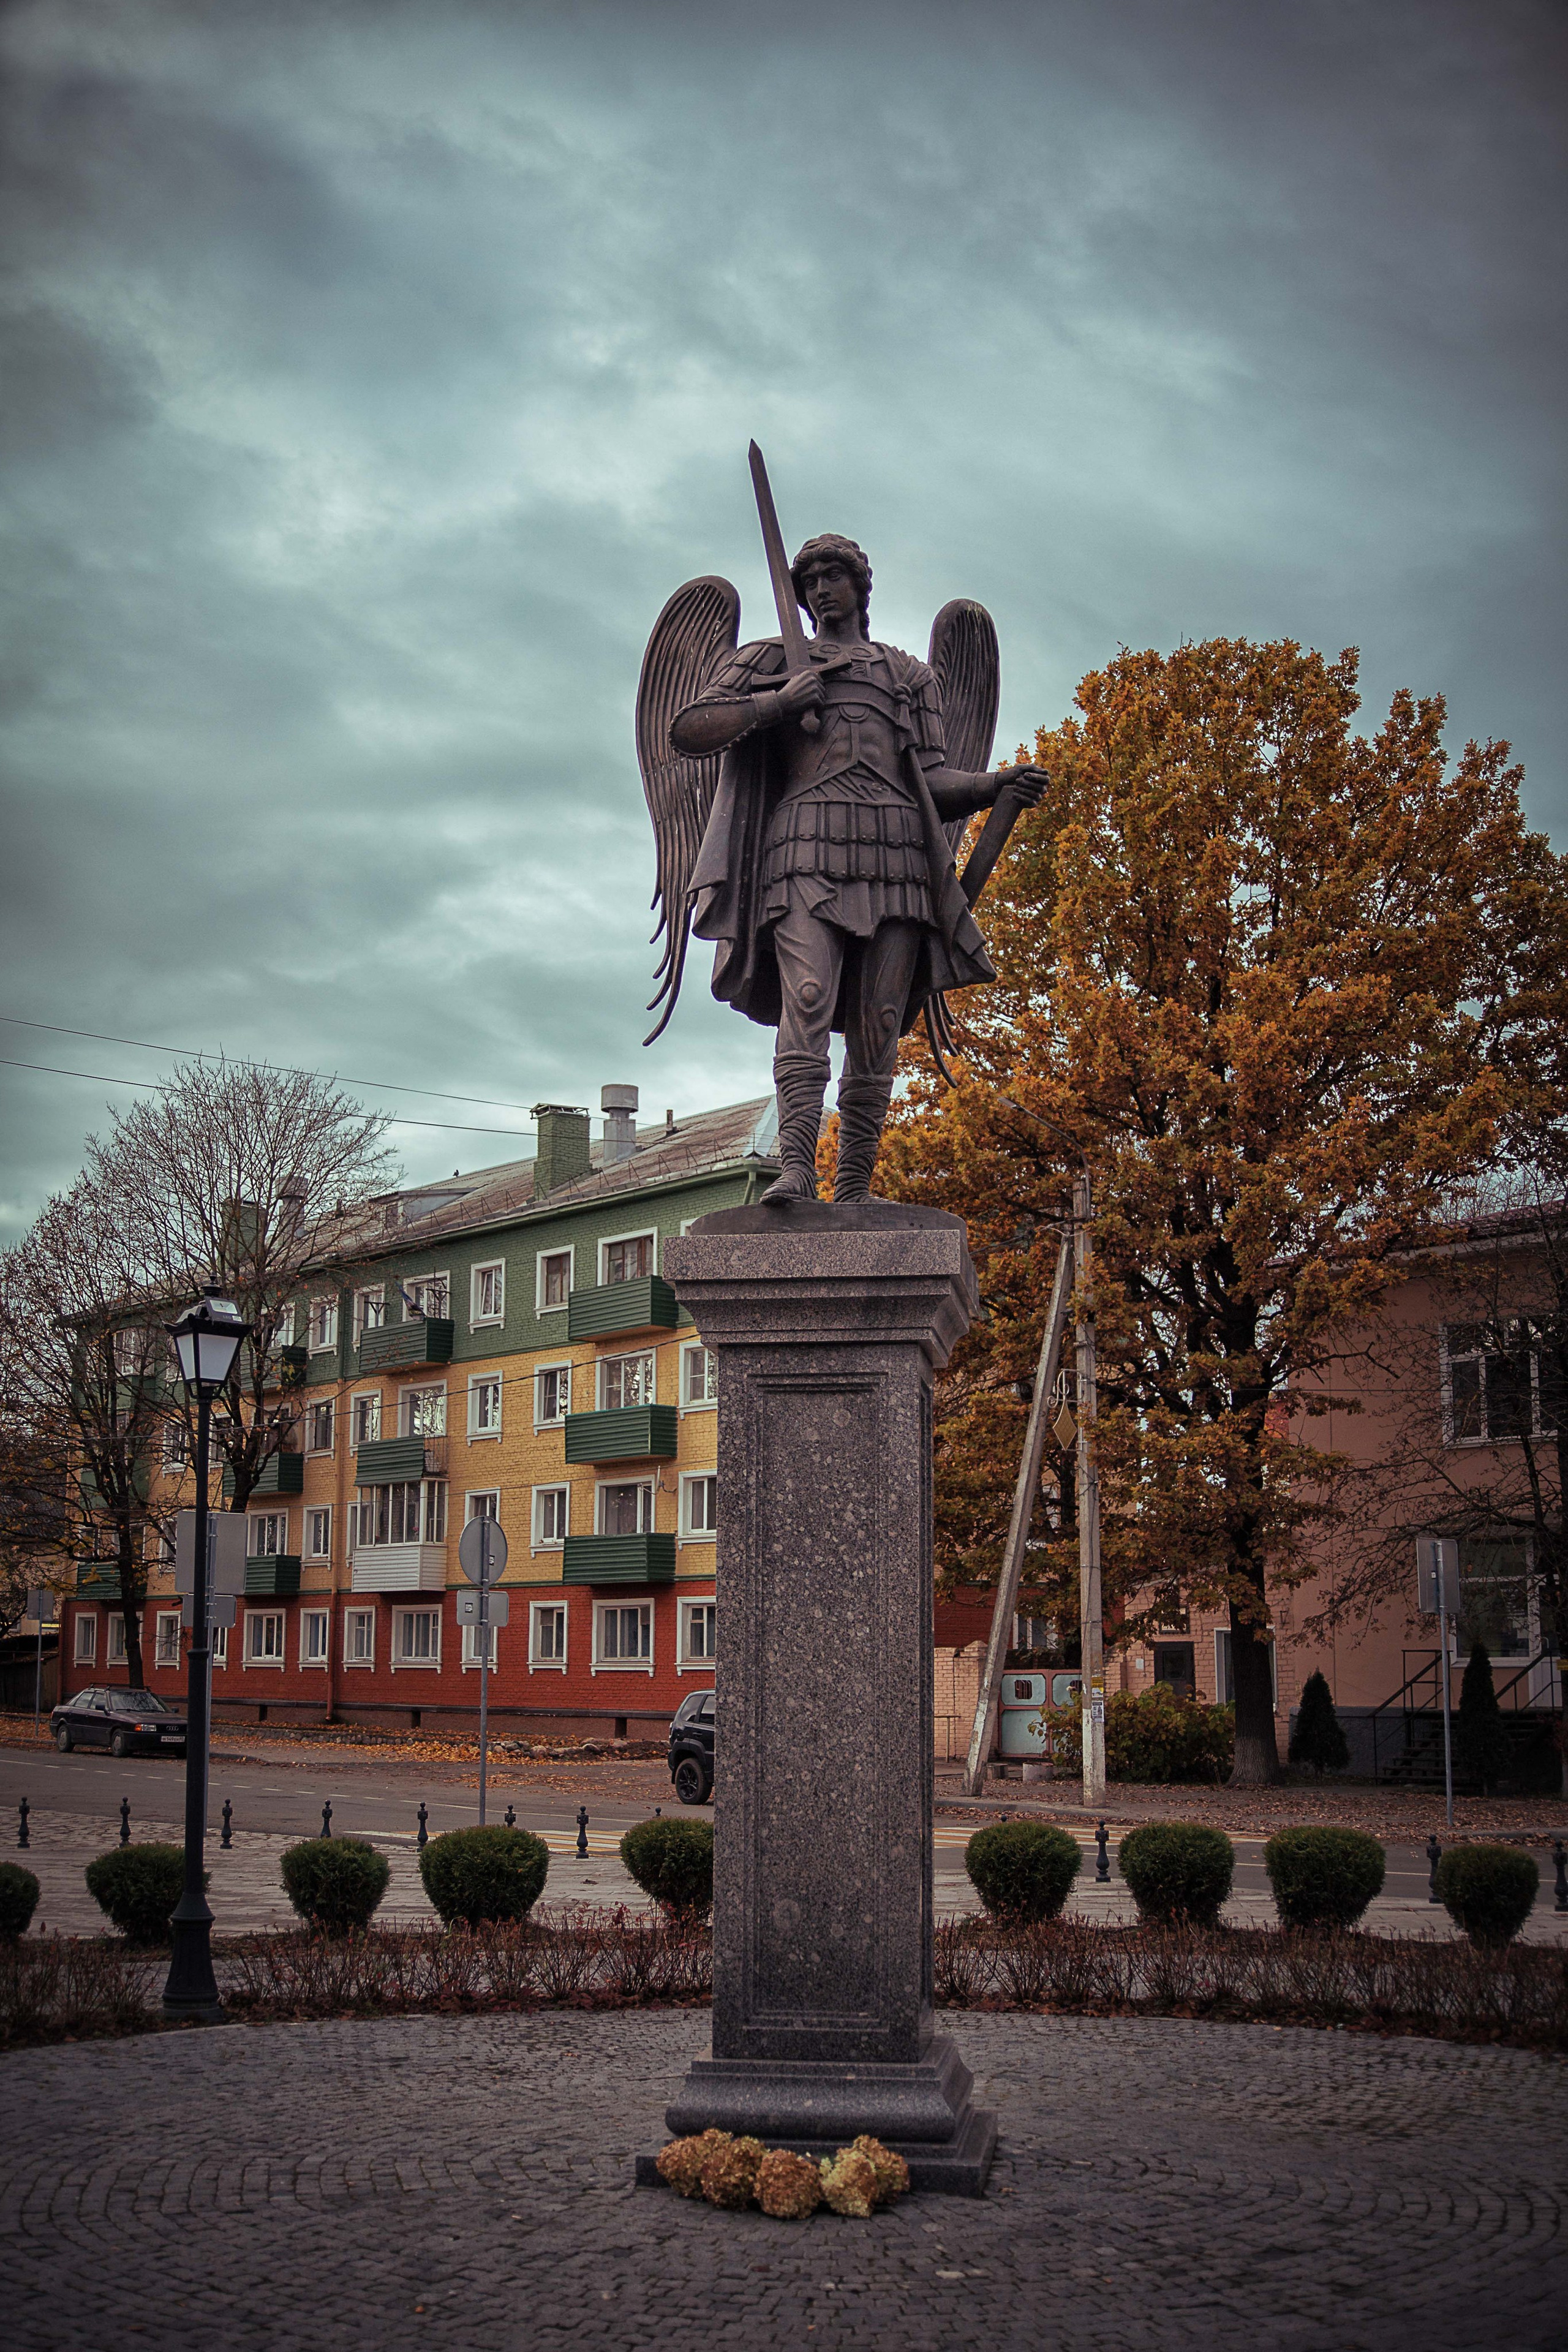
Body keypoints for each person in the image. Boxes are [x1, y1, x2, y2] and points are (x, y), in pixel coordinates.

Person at [671, 533, 1047, 1202]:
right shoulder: (769, 659)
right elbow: (690, 728)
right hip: (805, 846)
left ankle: (852, 1186)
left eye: (834, 574)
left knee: (877, 1022)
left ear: (860, 585)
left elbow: (931, 780)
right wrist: (776, 704)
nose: (821, 588)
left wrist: (994, 786)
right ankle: (793, 1169)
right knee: (809, 999)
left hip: (895, 852)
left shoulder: (906, 675)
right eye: (809, 578)